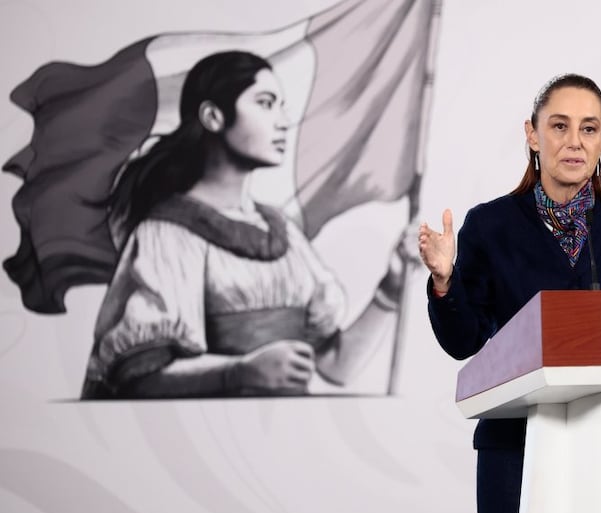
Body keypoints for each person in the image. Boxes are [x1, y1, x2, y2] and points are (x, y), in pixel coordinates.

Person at [418, 73, 601, 513]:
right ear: (533, 134)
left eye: (589, 128)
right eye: (559, 126)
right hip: (516, 446)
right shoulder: (491, 224)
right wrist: (444, 280)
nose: (574, 142)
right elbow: (464, 340)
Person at [82, 50, 405, 398]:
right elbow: (139, 380)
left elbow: (335, 366)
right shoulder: (167, 235)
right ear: (213, 116)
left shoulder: (283, 233)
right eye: (265, 103)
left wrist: (390, 288)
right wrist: (240, 372)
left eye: (281, 105)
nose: (283, 121)